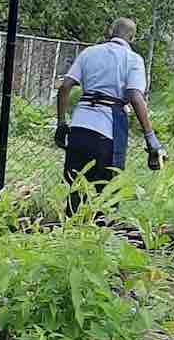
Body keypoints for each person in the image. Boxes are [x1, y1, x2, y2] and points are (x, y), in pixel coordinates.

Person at [54, 18, 163, 209]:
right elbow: (135, 97)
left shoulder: (89, 53)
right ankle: (100, 233)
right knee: (107, 196)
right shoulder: (133, 60)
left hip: (80, 127)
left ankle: (70, 234)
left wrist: (62, 123)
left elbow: (65, 87)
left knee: (76, 191)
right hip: (107, 132)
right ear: (132, 37)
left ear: (110, 31)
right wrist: (150, 137)